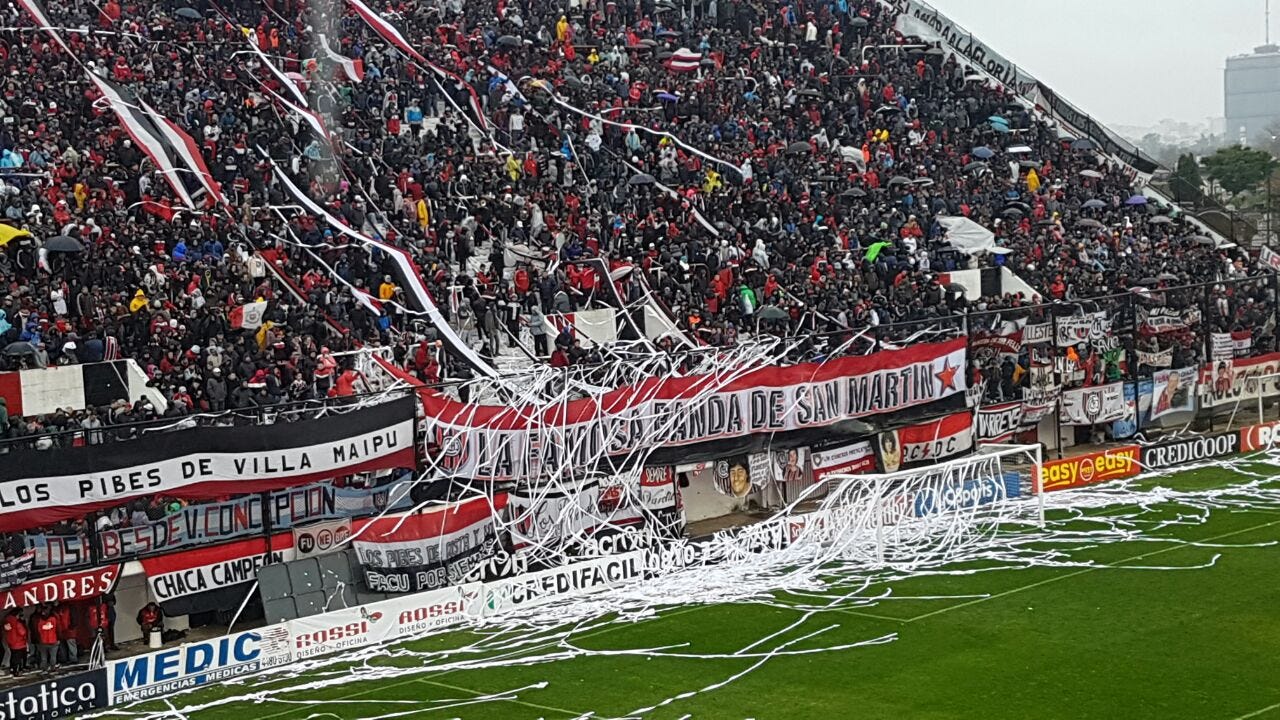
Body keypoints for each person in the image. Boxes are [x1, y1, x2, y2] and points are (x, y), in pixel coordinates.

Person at [4, 608, 27, 676]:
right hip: (19, 643)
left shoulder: (6, 621)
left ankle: (12, 668)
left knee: (13, 656)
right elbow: (22, 632)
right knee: (18, 659)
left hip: (10, 642)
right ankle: (16, 671)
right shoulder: (17, 622)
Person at [34, 606, 58, 671]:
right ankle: (53, 668)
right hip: (53, 640)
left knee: (43, 657)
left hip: (43, 641)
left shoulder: (40, 621)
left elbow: (38, 631)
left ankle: (43, 668)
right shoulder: (53, 619)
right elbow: (57, 628)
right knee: (53, 656)